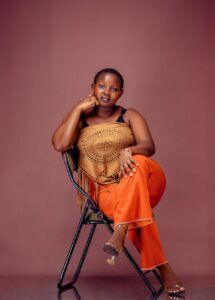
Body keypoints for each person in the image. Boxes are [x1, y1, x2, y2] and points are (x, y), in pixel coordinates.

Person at [52, 68, 185, 296]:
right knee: (133, 206)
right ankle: (163, 267)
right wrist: (76, 109)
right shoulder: (80, 119)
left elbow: (149, 146)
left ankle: (120, 230)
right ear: (92, 88)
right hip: (104, 192)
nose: (107, 92)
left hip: (147, 182)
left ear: (121, 93)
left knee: (140, 162)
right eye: (102, 86)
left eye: (114, 89)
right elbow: (60, 145)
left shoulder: (130, 115)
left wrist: (129, 151)